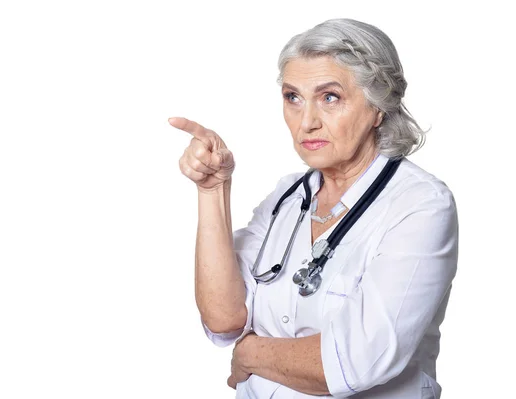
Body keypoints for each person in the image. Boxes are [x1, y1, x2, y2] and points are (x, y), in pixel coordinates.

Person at [169, 18, 458, 398]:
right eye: (293, 97)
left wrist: (252, 352)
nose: (306, 123)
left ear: (378, 107)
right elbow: (224, 319)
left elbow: (354, 362)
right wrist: (213, 190)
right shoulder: (287, 196)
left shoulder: (419, 206)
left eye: (330, 97)